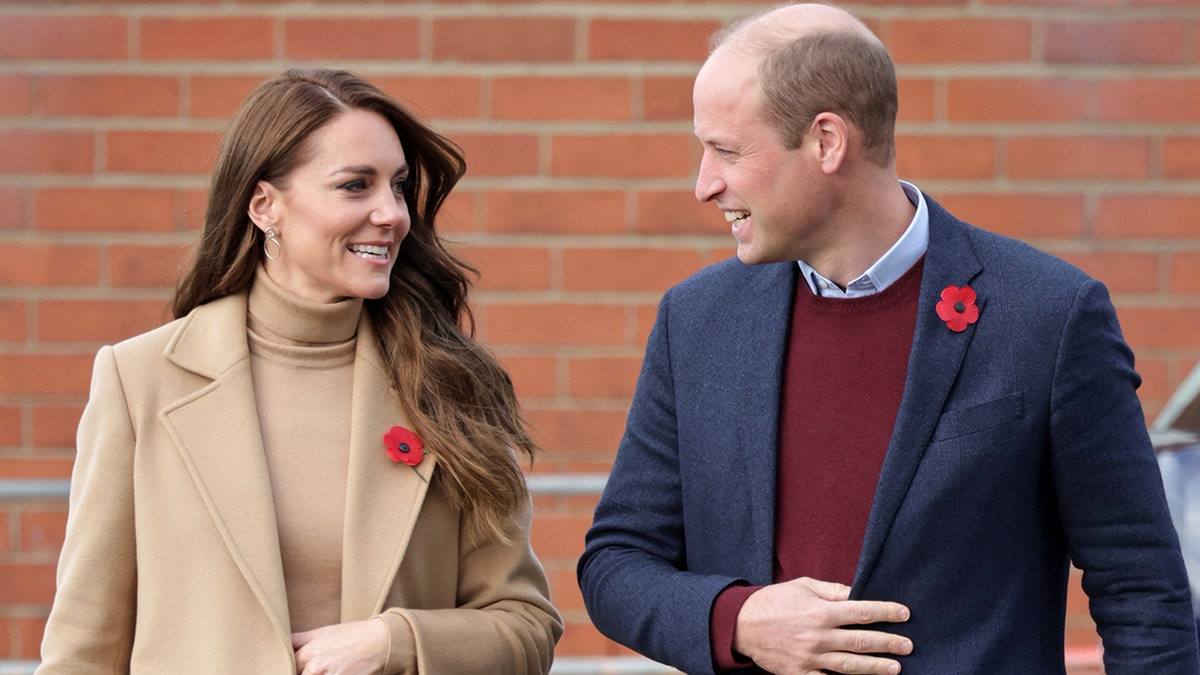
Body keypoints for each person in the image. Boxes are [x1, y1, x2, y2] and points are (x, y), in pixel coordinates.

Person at [577, 4, 1198, 674]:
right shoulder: (695, 321)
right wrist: (740, 617)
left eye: (727, 150)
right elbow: (615, 561)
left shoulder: (1049, 316)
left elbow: (1144, 594)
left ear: (827, 142)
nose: (705, 184)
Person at [37, 68, 562, 674]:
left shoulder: (448, 385)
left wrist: (396, 642)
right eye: (354, 186)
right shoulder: (139, 380)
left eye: (397, 186)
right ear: (265, 207)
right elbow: (83, 650)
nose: (391, 213)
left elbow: (525, 626)